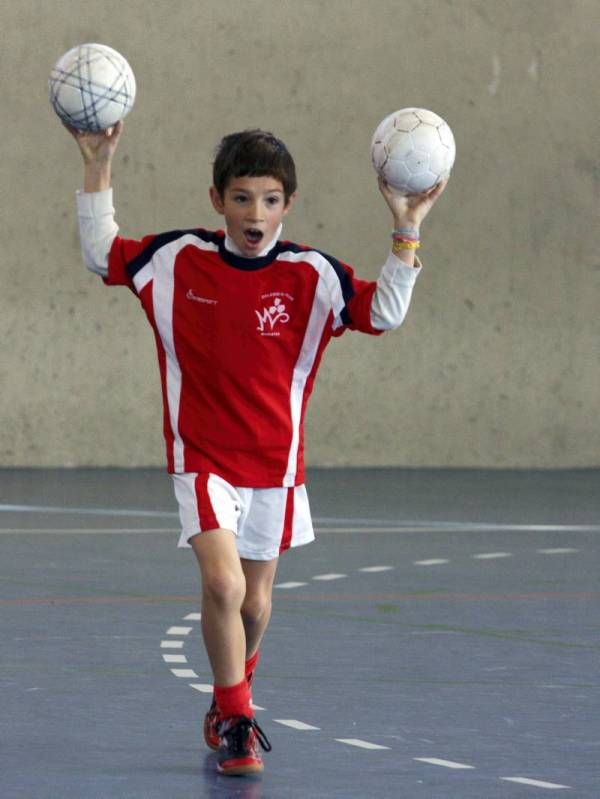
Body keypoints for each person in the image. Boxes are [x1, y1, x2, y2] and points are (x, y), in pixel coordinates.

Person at [67, 120, 446, 776]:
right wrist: (98, 165)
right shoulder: (178, 259)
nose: (255, 212)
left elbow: (381, 312)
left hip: (274, 465)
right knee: (221, 579)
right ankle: (237, 716)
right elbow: (103, 252)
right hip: (203, 455)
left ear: (288, 205)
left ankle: (228, 691)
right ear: (217, 201)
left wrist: (406, 226)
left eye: (270, 199)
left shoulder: (313, 276)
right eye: (241, 197)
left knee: (253, 604)